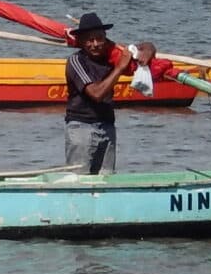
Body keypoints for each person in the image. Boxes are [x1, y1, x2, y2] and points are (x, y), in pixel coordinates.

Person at [62, 11, 154, 175]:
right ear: (82, 42)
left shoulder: (110, 56)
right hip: (81, 128)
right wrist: (120, 68)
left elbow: (144, 47)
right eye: (90, 40)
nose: (95, 44)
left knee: (106, 179)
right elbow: (97, 94)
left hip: (107, 126)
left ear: (105, 39)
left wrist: (148, 49)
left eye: (99, 38)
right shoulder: (76, 61)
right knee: (79, 181)